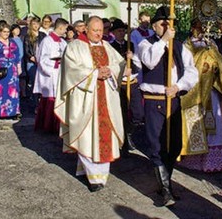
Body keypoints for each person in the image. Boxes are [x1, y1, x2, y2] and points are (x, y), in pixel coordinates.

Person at [54, 16, 125, 192]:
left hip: (106, 100)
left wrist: (112, 70)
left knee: (103, 134)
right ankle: (95, 177)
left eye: (101, 30)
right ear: (86, 29)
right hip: (85, 100)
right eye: (95, 30)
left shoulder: (107, 46)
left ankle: (95, 172)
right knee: (86, 135)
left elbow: (119, 63)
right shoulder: (74, 47)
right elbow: (71, 71)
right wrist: (95, 74)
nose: (98, 34)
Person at [137, 6, 198, 206]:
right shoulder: (146, 44)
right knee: (157, 145)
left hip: (173, 99)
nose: (167, 26)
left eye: (169, 23)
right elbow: (150, 61)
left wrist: (179, 86)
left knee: (173, 144)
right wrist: (163, 41)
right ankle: (165, 190)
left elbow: (191, 72)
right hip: (155, 100)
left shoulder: (180, 47)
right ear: (155, 26)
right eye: (163, 23)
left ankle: (166, 183)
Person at [179, 18, 222, 172]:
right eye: (198, 27)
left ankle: (213, 163)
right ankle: (193, 160)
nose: (201, 30)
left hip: (212, 89)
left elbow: (220, 61)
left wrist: (220, 68)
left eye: (203, 27)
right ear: (192, 28)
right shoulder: (187, 45)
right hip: (196, 90)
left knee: (215, 122)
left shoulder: (211, 43)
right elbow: (187, 66)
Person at [109, 18, 142, 152]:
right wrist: (123, 71)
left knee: (138, 112)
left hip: (132, 81)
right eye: (119, 31)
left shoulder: (131, 45)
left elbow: (138, 64)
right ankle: (123, 138)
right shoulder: (111, 47)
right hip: (120, 83)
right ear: (114, 33)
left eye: (123, 31)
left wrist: (132, 58)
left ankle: (131, 133)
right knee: (122, 111)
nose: (121, 33)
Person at [34, 18, 68, 132]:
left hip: (60, 73)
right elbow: (41, 58)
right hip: (50, 75)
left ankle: (58, 125)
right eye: (65, 28)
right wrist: (54, 64)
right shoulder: (46, 41)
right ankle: (48, 126)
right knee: (50, 99)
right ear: (60, 27)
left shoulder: (63, 42)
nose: (66, 31)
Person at [0, 22, 22, 119]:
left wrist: (19, 67)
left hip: (12, 71)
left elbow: (17, 55)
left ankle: (14, 112)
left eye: (8, 32)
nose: (6, 33)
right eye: (4, 32)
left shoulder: (13, 42)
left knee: (13, 91)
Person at [24, 17, 45, 102]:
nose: (36, 26)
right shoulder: (28, 36)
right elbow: (26, 50)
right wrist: (32, 58)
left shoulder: (43, 35)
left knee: (42, 82)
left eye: (37, 24)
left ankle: (41, 102)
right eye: (34, 24)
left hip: (42, 61)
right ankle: (34, 102)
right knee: (33, 82)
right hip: (32, 62)